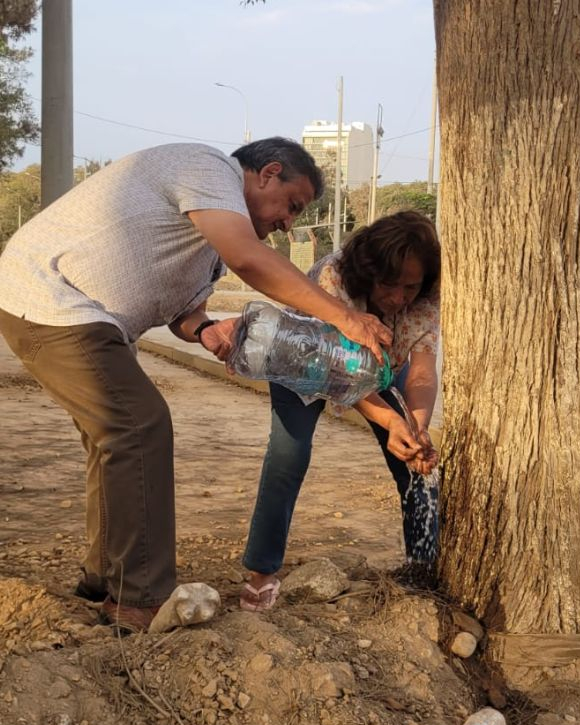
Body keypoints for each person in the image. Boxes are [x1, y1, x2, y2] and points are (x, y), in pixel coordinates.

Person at [0, 138, 393, 630]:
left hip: (80, 315)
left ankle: (103, 578)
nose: (288, 222)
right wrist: (344, 319)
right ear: (268, 173)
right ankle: (139, 599)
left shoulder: (209, 238)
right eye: (292, 205)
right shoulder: (208, 168)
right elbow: (250, 260)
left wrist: (207, 330)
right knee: (139, 426)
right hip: (49, 299)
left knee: (116, 439)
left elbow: (184, 311)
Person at [233, 210, 441, 612]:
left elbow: (421, 371)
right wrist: (389, 418)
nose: (399, 298)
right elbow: (337, 375)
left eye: (410, 287)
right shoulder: (335, 277)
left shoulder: (427, 297)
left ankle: (424, 567)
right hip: (308, 361)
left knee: (417, 459)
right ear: (369, 272)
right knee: (288, 454)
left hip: (379, 368)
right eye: (389, 285)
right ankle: (262, 571)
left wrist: (415, 425)